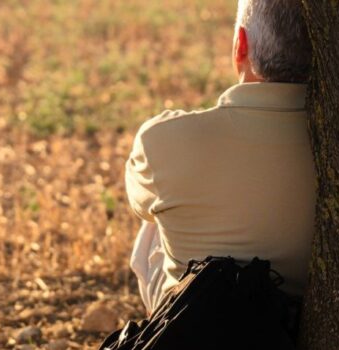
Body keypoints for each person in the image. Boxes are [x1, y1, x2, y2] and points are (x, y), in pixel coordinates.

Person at [125, 0, 315, 317]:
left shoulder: (162, 139)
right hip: (298, 324)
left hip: (196, 326)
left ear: (240, 45)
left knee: (157, 219)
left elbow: (137, 202)